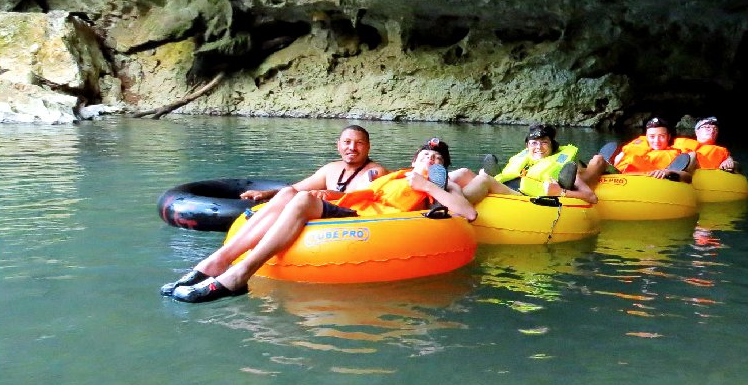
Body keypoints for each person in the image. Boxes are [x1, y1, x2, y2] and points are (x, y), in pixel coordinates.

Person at [162, 138, 476, 303]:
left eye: (435, 160)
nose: (428, 160)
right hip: (356, 209)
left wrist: (430, 185)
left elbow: (468, 213)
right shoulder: (397, 175)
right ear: (413, 160)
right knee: (287, 195)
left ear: (442, 167)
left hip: (371, 223)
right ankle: (217, 262)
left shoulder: (440, 183)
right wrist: (328, 194)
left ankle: (240, 274)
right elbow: (361, 194)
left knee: (301, 200)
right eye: (424, 156)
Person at [451, 123, 597, 204]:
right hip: (504, 186)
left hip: (523, 196)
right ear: (527, 146)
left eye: (544, 143)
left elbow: (591, 197)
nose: (538, 147)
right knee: (464, 172)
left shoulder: (561, 164)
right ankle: (431, 192)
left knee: (484, 180)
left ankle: (453, 205)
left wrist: (560, 192)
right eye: (534, 143)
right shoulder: (523, 160)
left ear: (552, 145)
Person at [238, 124, 387, 202]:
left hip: (352, 224)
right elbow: (296, 189)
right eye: (347, 142)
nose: (352, 148)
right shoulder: (331, 169)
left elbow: (361, 198)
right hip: (321, 217)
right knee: (290, 193)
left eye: (359, 143)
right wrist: (264, 194)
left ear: (368, 147)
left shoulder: (375, 172)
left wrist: (328, 194)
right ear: (338, 145)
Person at [577, 115, 694, 186]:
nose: (657, 140)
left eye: (662, 136)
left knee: (597, 163)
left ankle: (583, 180)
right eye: (652, 137)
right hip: (617, 176)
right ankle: (577, 177)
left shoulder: (678, 155)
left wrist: (667, 172)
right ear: (647, 137)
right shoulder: (636, 148)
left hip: (645, 181)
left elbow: (687, 177)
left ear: (668, 137)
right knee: (592, 161)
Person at [672, 116, 739, 172]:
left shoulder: (722, 151)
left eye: (715, 129)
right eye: (707, 127)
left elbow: (736, 165)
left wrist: (730, 162)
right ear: (697, 131)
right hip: (679, 174)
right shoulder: (681, 142)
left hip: (709, 178)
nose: (712, 131)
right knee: (692, 155)